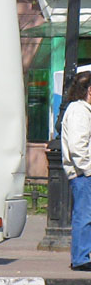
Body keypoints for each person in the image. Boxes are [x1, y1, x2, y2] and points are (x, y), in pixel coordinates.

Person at [61, 71, 91, 271]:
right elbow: (77, 145)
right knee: (85, 215)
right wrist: (88, 170)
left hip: (83, 173)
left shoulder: (83, 111)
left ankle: (82, 255)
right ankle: (81, 258)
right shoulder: (79, 112)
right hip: (83, 174)